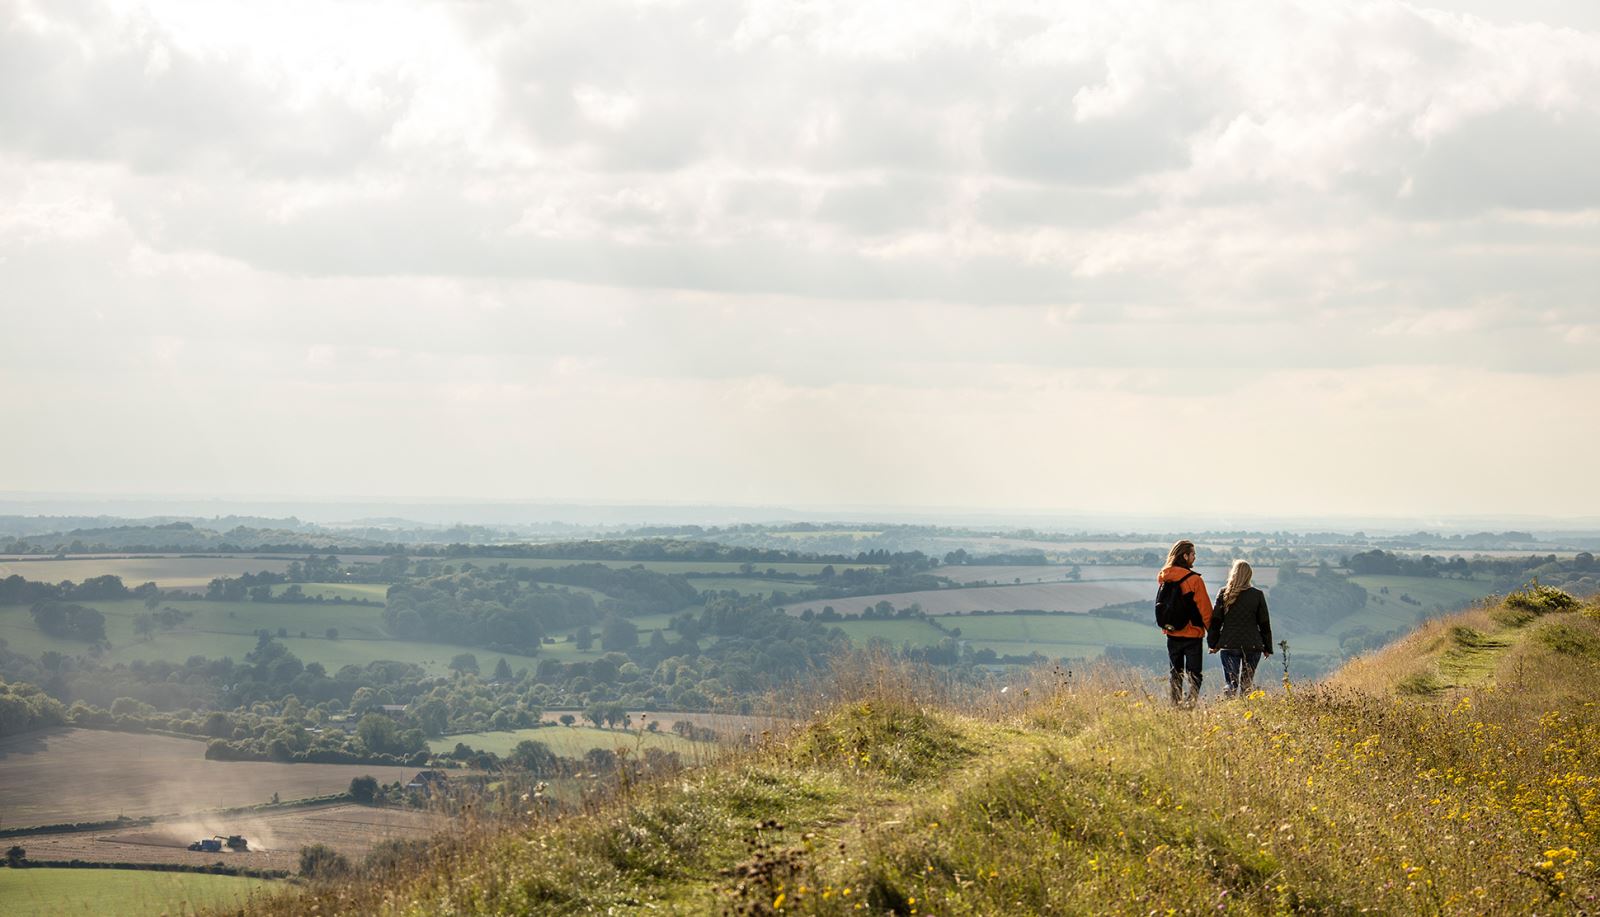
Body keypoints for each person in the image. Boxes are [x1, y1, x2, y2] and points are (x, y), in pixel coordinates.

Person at [1156, 539, 1212, 707]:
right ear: (1185, 555)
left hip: (1172, 633)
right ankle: (1189, 705)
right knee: (1195, 674)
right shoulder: (1194, 580)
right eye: (1193, 554)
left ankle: (1175, 705)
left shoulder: (1164, 577)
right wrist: (1214, 636)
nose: (1195, 557)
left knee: (1175, 673)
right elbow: (1205, 610)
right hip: (1192, 634)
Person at [1207, 560, 1273, 698]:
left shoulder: (1224, 593)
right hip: (1253, 645)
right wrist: (1267, 647)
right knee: (1246, 684)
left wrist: (1213, 644)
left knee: (1231, 682)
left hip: (1229, 644)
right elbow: (1264, 623)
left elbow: (1215, 622)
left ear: (1233, 574)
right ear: (1249, 575)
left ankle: (1229, 704)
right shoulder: (1257, 595)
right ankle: (1245, 710)